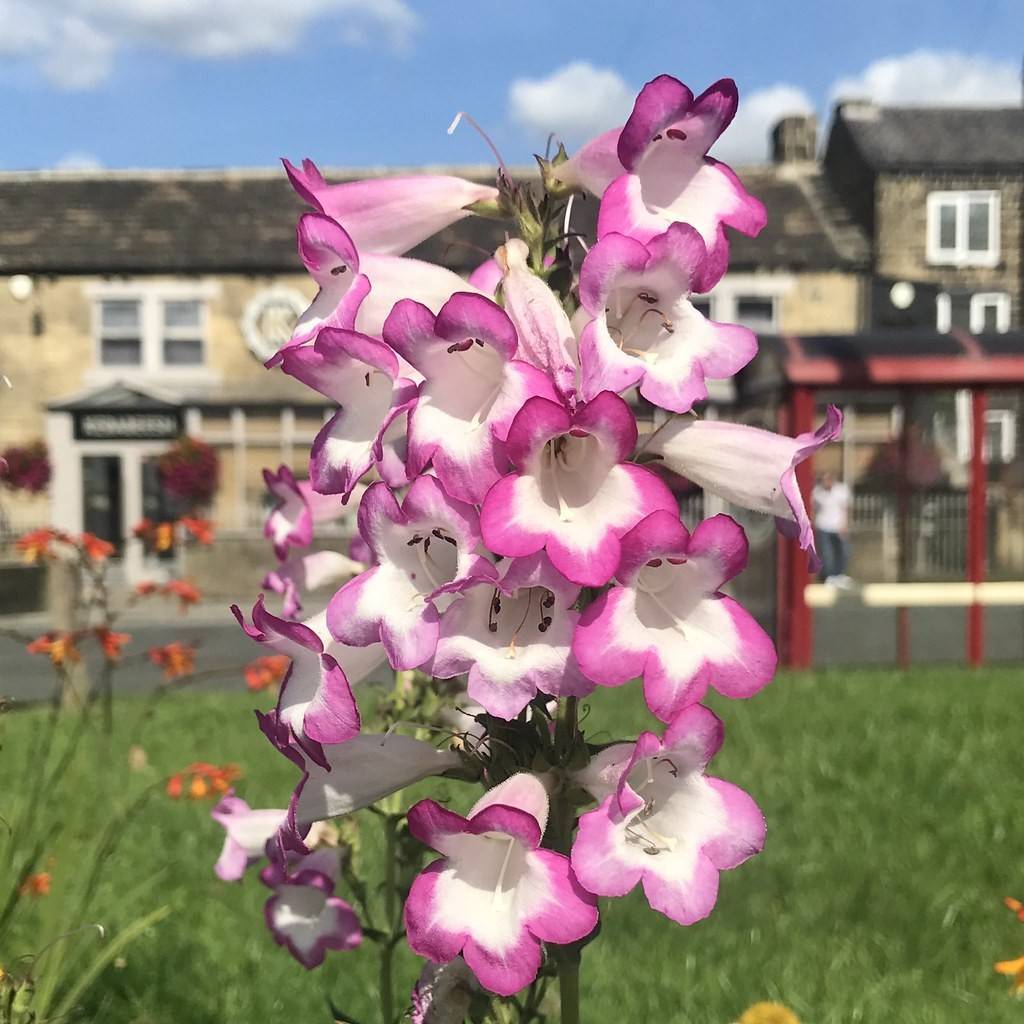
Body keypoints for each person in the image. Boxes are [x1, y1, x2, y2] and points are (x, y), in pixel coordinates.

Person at [812, 471, 852, 587]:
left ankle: (838, 574)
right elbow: (812, 508)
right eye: (824, 481)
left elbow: (844, 509)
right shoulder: (817, 492)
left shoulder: (841, 491)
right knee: (826, 553)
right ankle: (829, 577)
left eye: (828, 480)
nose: (826, 483)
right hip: (823, 526)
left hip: (838, 526)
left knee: (844, 551)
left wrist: (844, 525)